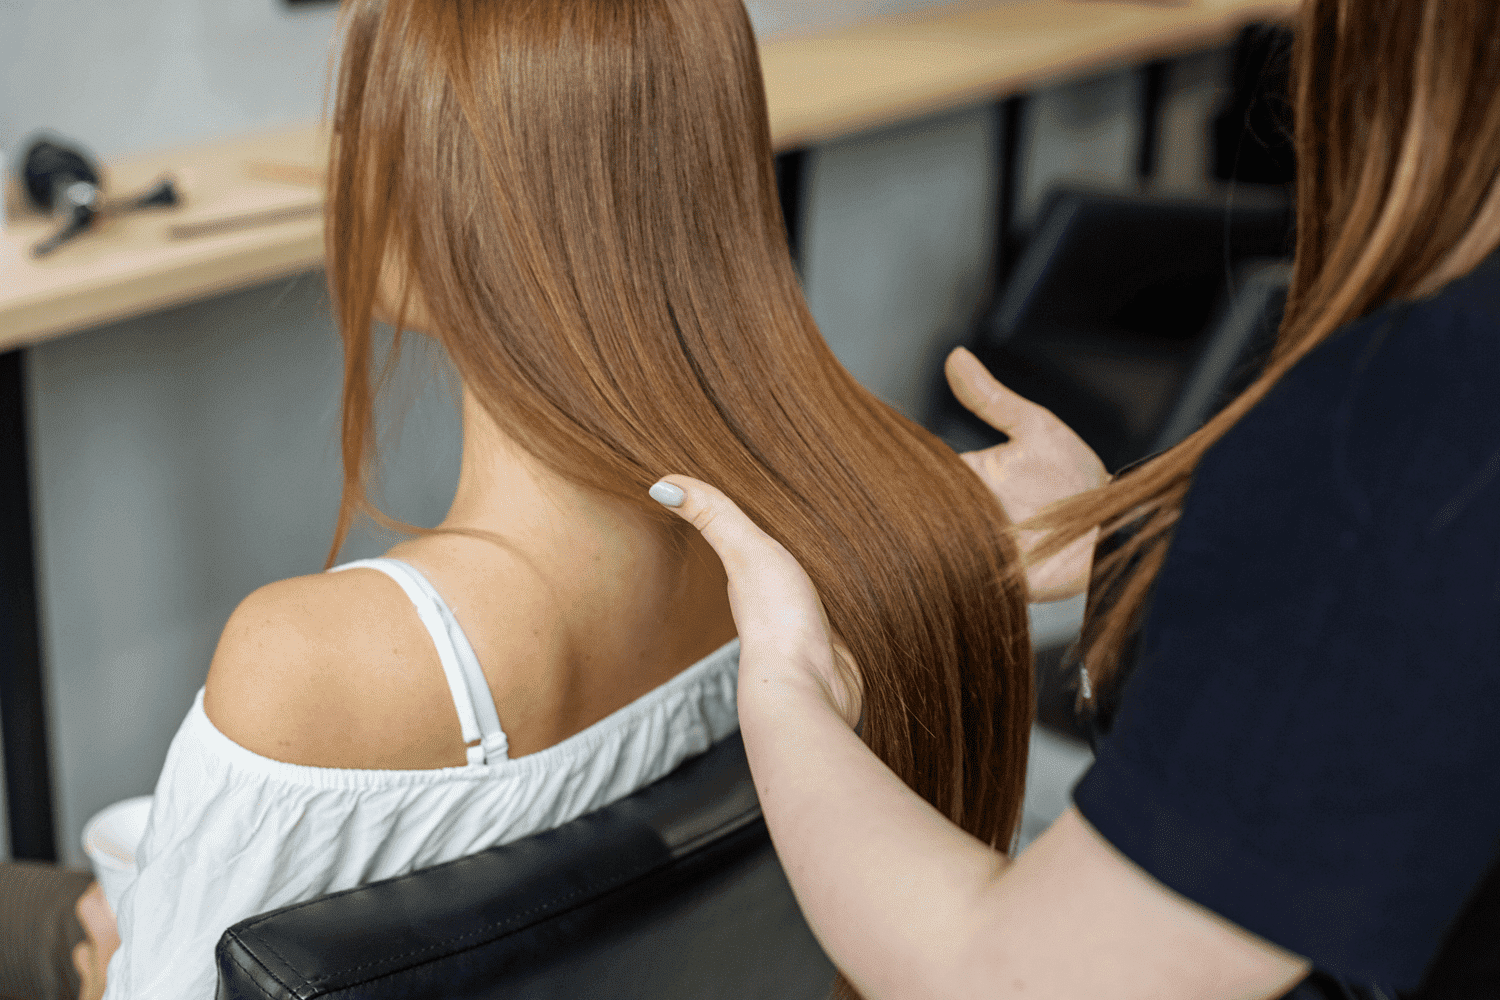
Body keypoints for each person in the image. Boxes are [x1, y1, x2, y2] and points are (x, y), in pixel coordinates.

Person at [18, 1, 1035, 998]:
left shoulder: (310, 667)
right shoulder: (848, 535)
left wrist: (116, 977)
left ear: (446, 207)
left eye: (360, 130)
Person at [647, 0, 1500, 996]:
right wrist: (1119, 544)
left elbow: (1009, 977)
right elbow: (1419, 660)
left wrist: (789, 684)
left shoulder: (1411, 430)